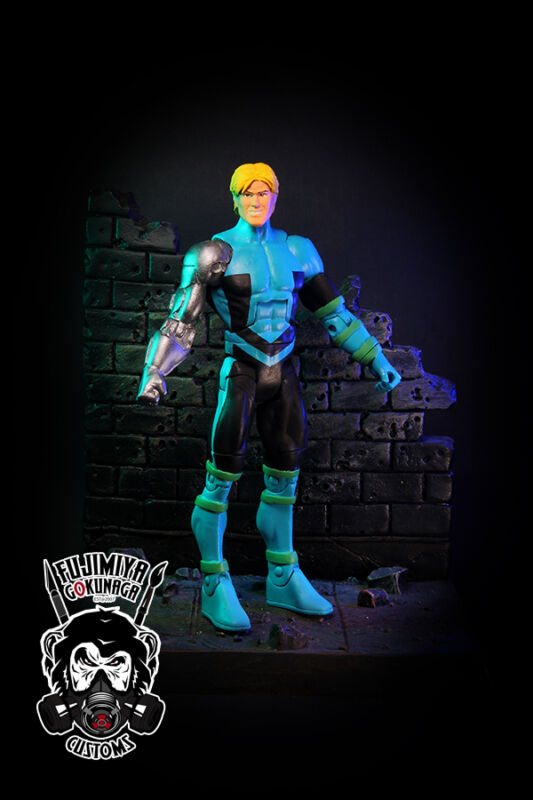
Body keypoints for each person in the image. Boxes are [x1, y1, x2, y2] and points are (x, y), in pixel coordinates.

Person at [137, 162, 401, 632]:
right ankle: (215, 579)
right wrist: (155, 371)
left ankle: (282, 574)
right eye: (247, 193)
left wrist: (375, 358)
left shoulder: (298, 250)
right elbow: (181, 321)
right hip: (241, 371)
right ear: (234, 198)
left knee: (284, 478)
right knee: (220, 480)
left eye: (264, 193)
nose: (255, 201)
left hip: (285, 375)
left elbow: (334, 314)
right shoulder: (213, 252)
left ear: (276, 197)